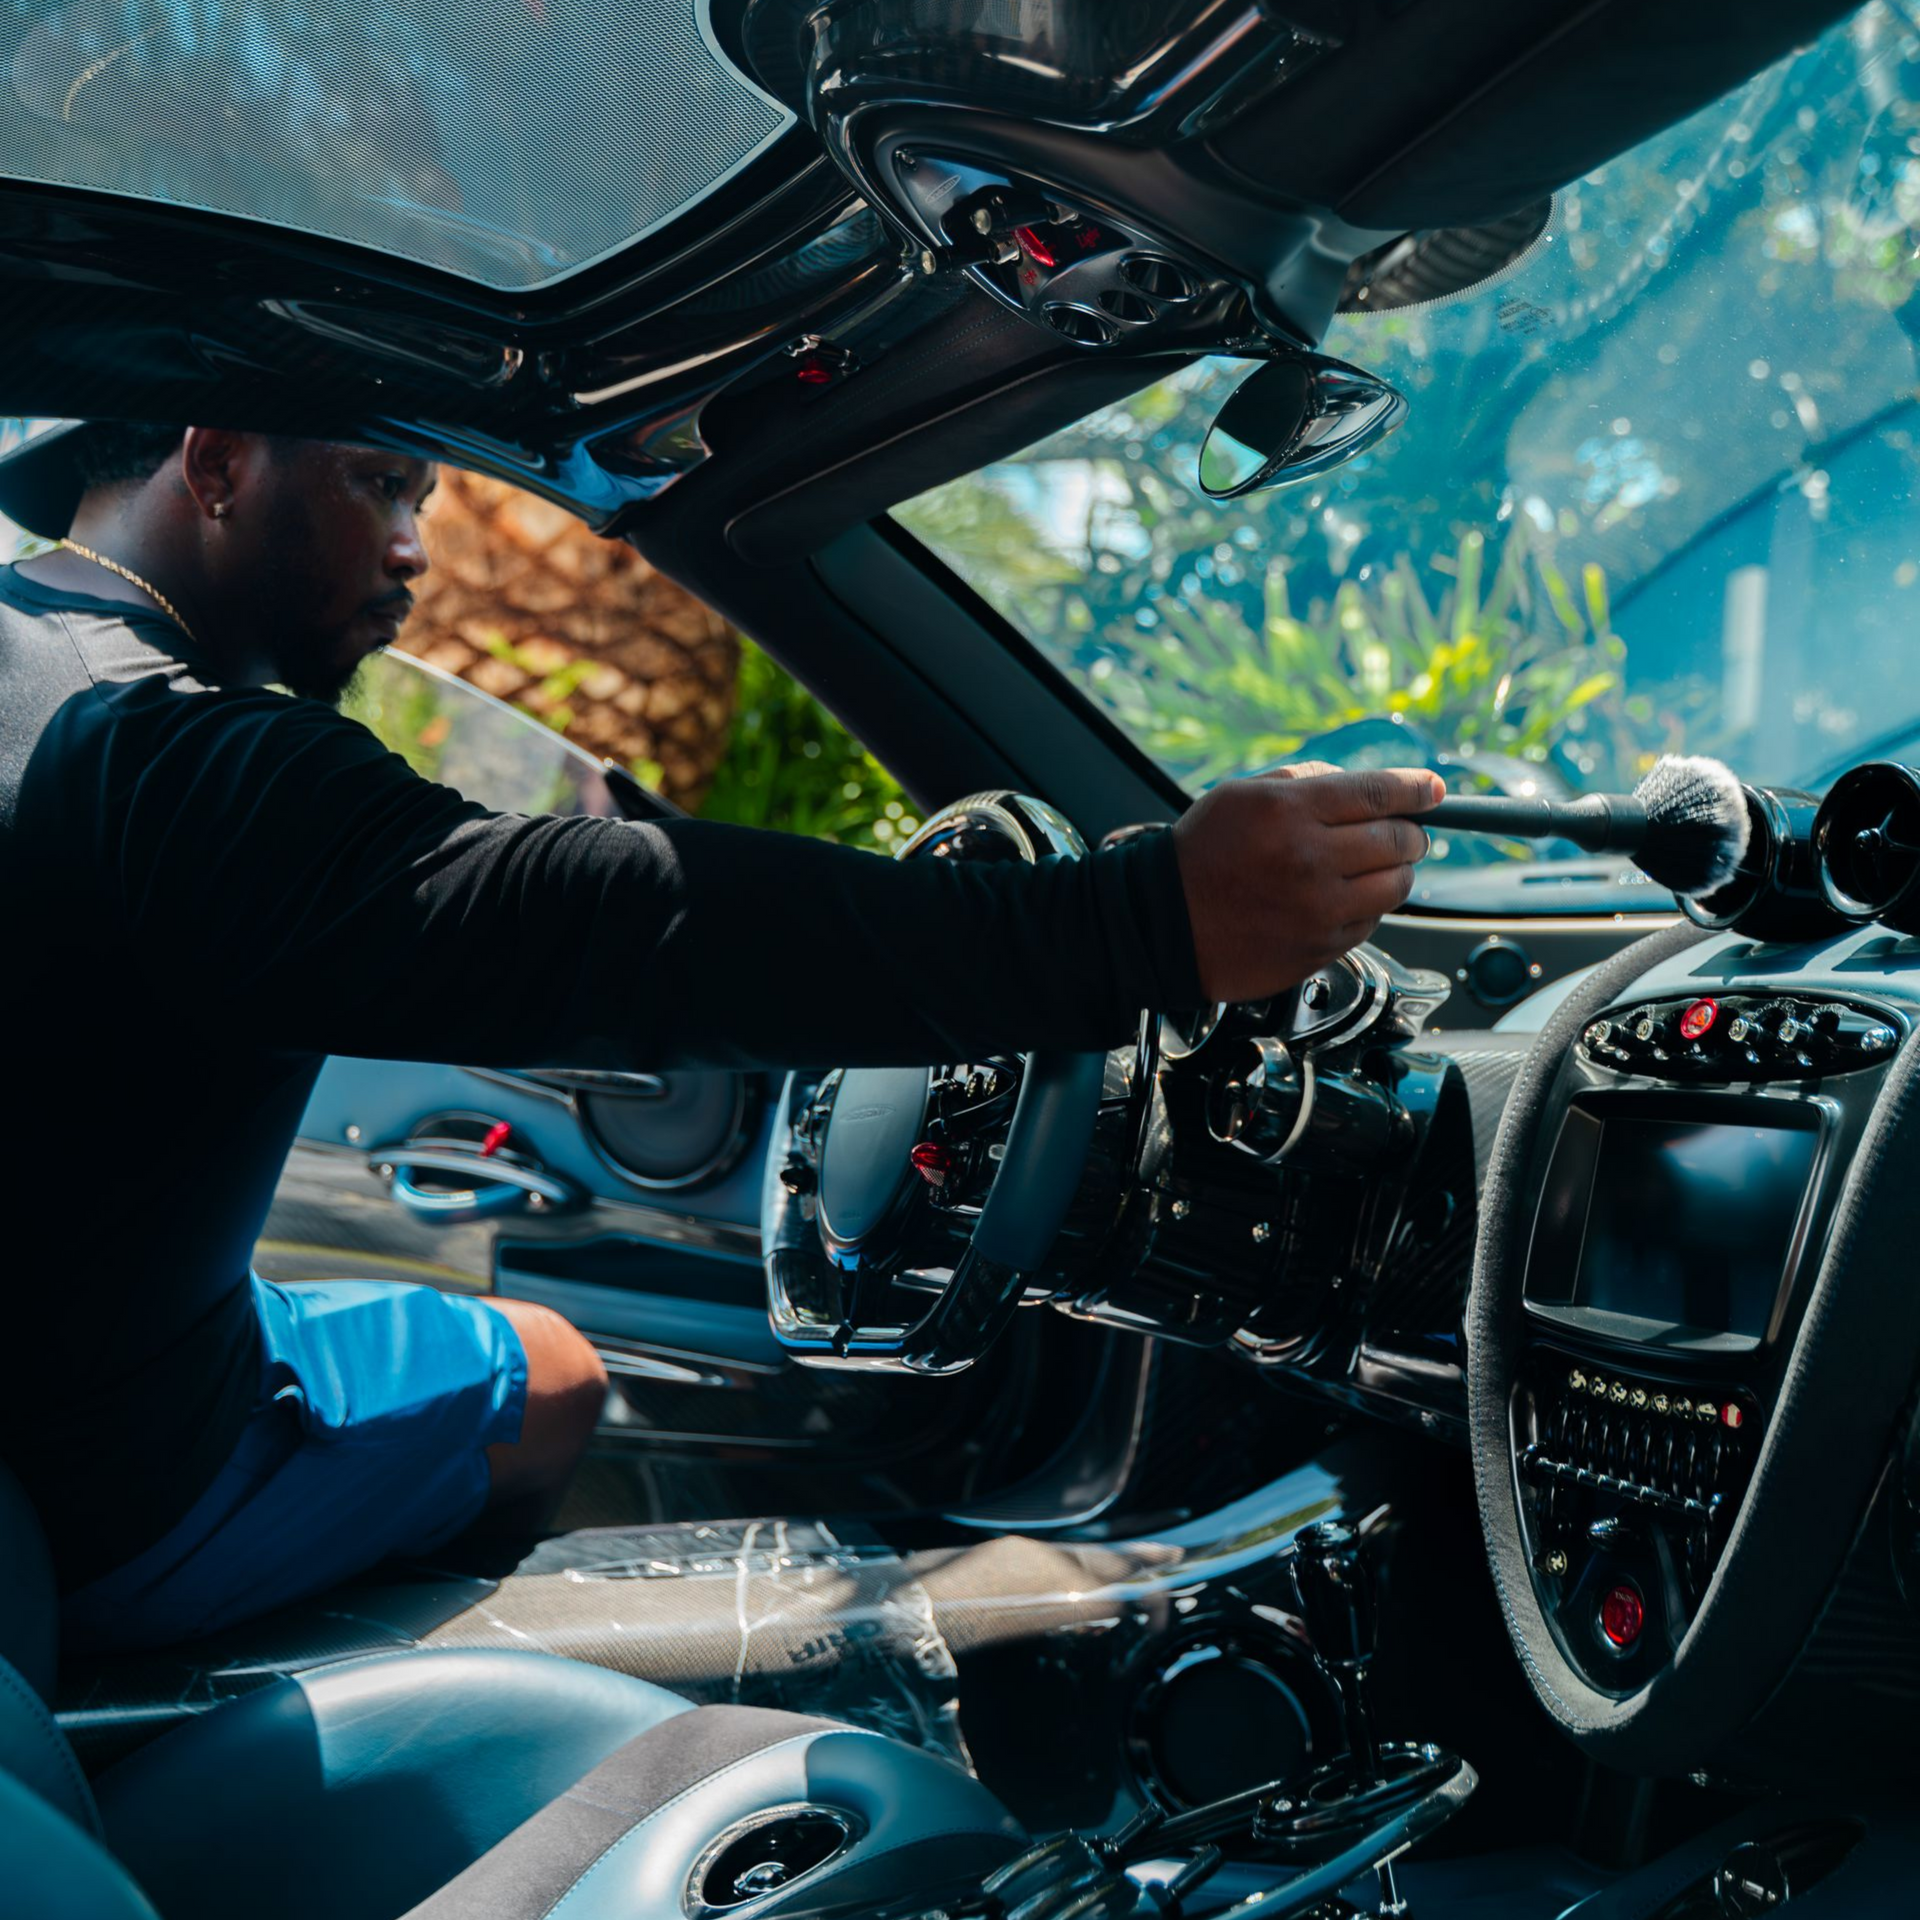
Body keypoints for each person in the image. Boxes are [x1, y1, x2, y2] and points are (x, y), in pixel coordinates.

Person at [0, 421, 1440, 1651]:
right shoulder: (161, 749)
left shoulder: (46, 671)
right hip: (110, 1483)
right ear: (218, 461)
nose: (415, 551)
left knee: (539, 1359)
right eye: (382, 482)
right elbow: (593, 920)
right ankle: (268, 1744)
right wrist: (1141, 925)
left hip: (85, 1393)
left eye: (423, 503)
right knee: (552, 1378)